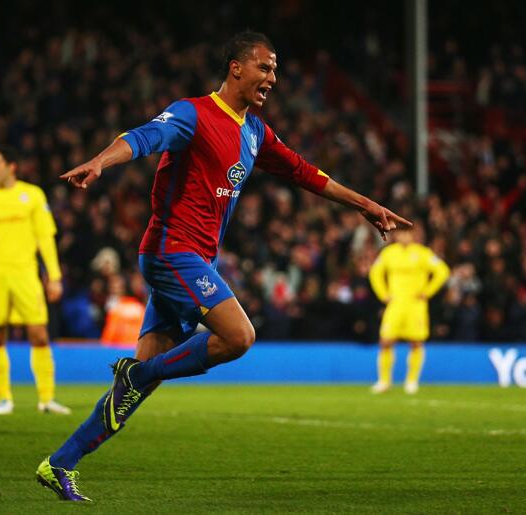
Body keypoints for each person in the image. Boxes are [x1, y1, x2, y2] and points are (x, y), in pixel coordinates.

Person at [35, 31, 412, 501]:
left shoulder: (254, 131)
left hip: (195, 259)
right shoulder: (194, 113)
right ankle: (138, 374)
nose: (272, 78)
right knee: (239, 336)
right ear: (236, 67)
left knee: (139, 384)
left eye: (275, 70)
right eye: (264, 67)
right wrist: (101, 161)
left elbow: (304, 172)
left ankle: (60, 463)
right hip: (171, 252)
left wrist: (365, 204)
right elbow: (144, 137)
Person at [0, 146, 70, 416]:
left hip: (25, 273)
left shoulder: (33, 195)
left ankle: (46, 399)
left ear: (11, 166)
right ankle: (4, 398)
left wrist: (54, 276)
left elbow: (45, 238)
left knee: (39, 334)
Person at [368, 227, 450, 394]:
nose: (404, 237)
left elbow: (443, 271)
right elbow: (375, 273)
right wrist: (383, 294)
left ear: (413, 236)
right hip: (395, 304)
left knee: (416, 342)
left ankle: (411, 381)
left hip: (415, 305)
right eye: (401, 234)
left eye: (407, 234)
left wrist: (427, 292)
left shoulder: (423, 253)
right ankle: (384, 381)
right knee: (385, 341)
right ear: (397, 235)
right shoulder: (389, 253)